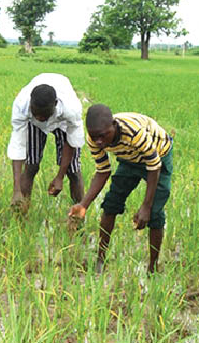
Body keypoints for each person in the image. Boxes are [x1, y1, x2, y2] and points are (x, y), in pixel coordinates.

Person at [69, 104, 174, 274]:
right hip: (129, 159)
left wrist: (146, 206)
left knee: (154, 213)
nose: (99, 141)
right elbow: (103, 171)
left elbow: (154, 166)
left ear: (114, 125)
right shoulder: (94, 139)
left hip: (158, 156)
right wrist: (83, 205)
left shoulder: (133, 132)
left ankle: (153, 267)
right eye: (94, 137)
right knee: (110, 204)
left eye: (103, 136)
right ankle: (100, 259)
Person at [8, 73, 85, 211]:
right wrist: (16, 190)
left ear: (55, 104)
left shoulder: (71, 109)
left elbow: (72, 141)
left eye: (44, 115)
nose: (39, 117)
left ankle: (78, 215)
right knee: (31, 165)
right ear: (30, 104)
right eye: (36, 113)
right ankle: (21, 213)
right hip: (33, 124)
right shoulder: (22, 105)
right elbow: (18, 145)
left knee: (73, 170)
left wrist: (60, 177)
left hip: (62, 122)